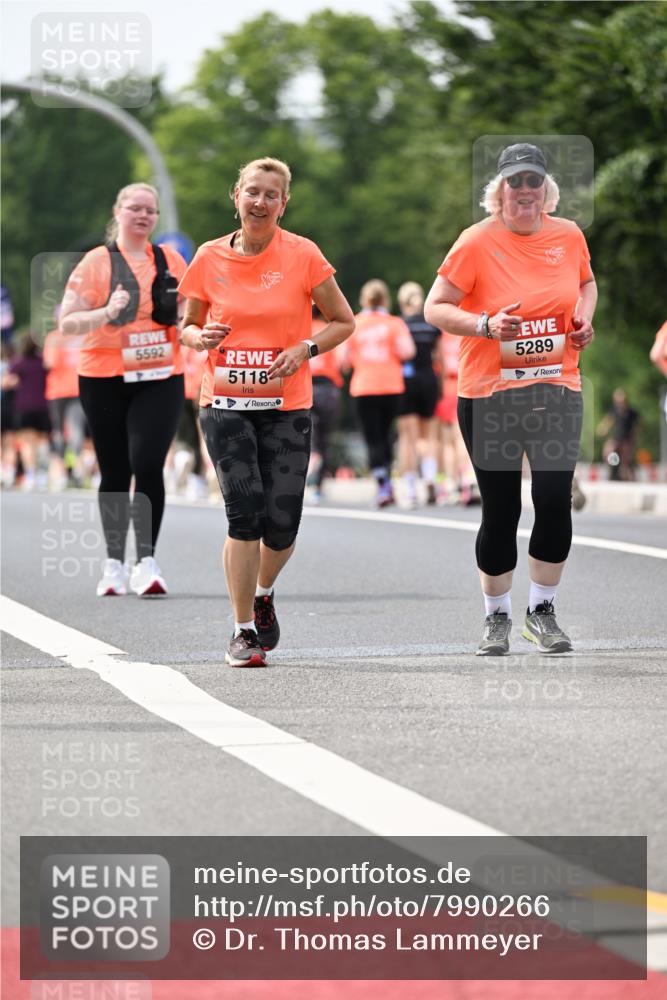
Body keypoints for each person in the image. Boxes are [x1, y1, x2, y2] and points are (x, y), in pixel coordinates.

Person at [178, 157, 354, 668]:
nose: (260, 202)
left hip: (285, 405)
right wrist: (198, 337)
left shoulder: (303, 255)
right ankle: (242, 630)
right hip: (225, 403)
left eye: (270, 195)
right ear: (236, 195)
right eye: (252, 192)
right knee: (244, 512)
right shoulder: (209, 257)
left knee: (282, 523)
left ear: (284, 203)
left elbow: (343, 321)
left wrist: (305, 348)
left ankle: (263, 592)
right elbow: (187, 325)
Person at [425, 142, 597, 655]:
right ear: (497, 191)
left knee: (551, 500)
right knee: (500, 511)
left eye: (533, 182)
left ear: (546, 189)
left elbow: (587, 284)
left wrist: (585, 318)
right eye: (514, 182)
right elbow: (437, 307)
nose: (524, 191)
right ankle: (496, 617)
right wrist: (486, 324)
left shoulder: (567, 235)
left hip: (557, 388)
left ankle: (541, 610)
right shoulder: (475, 242)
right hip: (490, 396)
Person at [59, 182, 188, 596]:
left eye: (151, 210)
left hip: (160, 374)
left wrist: (193, 328)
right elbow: (67, 322)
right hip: (104, 376)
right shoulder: (96, 262)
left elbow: (188, 313)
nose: (144, 215)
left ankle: (146, 562)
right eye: (135, 208)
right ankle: (114, 563)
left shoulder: (171, 259)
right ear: (118, 212)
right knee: (116, 469)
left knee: (148, 461)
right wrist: (106, 312)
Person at [343, 280, 415, 507]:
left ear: (364, 300)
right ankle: (387, 478)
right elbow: (407, 352)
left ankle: (382, 482)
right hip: (391, 386)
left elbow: (342, 361)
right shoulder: (394, 323)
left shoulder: (354, 323)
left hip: (364, 386)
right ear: (385, 300)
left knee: (371, 436)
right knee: (386, 434)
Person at [396, 282, 441, 507]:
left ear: (402, 302)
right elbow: (439, 357)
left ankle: (411, 488)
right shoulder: (432, 326)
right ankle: (431, 476)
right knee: (429, 435)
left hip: (405, 382)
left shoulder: (400, 325)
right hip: (429, 380)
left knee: (407, 438)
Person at [43, 316, 88, 488]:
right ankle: (74, 470)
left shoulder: (55, 337)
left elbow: (49, 363)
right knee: (75, 430)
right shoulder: (81, 336)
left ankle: (63, 472)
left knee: (60, 431)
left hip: (62, 390)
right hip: (74, 389)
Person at [307, 304, 344, 504]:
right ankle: (318, 487)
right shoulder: (331, 330)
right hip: (328, 388)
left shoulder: (300, 328)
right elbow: (342, 361)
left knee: (307, 434)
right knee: (325, 438)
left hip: (306, 385)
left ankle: (312, 461)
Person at [597, 388, 639, 481]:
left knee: (626, 459)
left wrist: (633, 439)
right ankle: (613, 471)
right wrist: (603, 428)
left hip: (626, 439)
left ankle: (628, 475)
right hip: (616, 438)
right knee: (608, 452)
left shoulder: (632, 412)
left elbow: (636, 427)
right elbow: (608, 421)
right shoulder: (614, 410)